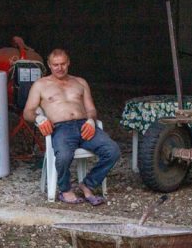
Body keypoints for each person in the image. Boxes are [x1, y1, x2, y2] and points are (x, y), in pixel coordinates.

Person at [23, 49, 120, 205]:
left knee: (112, 150)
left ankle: (88, 184)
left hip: (84, 125)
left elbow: (91, 109)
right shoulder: (40, 85)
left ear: (68, 63)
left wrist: (90, 120)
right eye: (55, 65)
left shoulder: (80, 82)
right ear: (49, 65)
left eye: (62, 64)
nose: (59, 68)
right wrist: (39, 118)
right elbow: (27, 112)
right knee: (63, 156)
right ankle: (65, 190)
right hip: (61, 128)